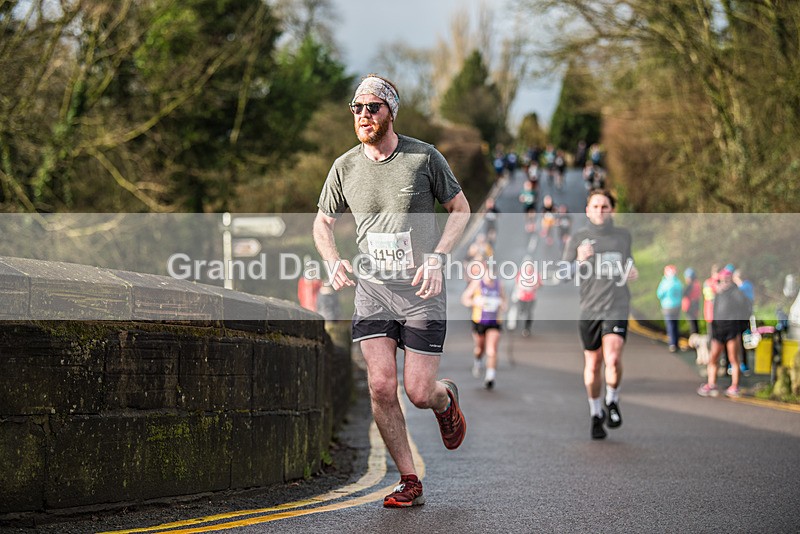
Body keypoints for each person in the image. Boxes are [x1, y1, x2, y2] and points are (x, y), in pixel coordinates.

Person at [313, 74, 470, 508]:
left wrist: (438, 255)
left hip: (421, 289)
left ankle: (445, 399)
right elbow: (322, 221)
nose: (364, 115)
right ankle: (409, 480)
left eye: (373, 107)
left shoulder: (423, 158)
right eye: (357, 108)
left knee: (418, 391)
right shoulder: (344, 167)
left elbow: (460, 208)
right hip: (374, 291)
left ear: (390, 112)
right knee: (381, 387)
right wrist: (333, 258)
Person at [562, 189, 638, 440]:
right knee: (593, 365)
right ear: (587, 210)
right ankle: (596, 413)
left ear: (611, 209)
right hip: (590, 307)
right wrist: (579, 261)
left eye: (604, 206)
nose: (600, 211)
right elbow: (563, 274)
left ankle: (612, 400)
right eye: (595, 206)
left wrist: (631, 272)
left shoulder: (623, 236)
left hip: (617, 304)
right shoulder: (578, 238)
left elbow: (629, 263)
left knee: (613, 358)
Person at [697, 268, 751, 398]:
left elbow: (745, 310)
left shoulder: (737, 293)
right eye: (723, 279)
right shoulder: (719, 294)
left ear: (731, 279)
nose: (725, 282)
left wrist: (741, 328)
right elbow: (714, 312)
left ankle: (734, 386)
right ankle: (711, 383)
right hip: (718, 330)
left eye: (727, 279)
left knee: (733, 358)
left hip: (732, 329)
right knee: (713, 357)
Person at [461, 256, 507, 389]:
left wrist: (502, 305)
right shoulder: (477, 283)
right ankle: (478, 360)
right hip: (479, 321)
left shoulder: (500, 284)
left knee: (492, 350)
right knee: (479, 349)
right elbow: (464, 299)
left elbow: (505, 301)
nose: (491, 275)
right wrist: (475, 302)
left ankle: (490, 376)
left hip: (494, 322)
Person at [657, 265, 684, 352]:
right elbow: (681, 292)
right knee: (676, 324)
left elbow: (659, 294)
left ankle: (672, 344)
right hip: (677, 306)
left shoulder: (664, 283)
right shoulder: (678, 282)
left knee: (670, 325)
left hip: (667, 307)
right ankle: (676, 342)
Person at [512, 256, 540, 336]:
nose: (528, 268)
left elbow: (540, 284)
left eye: (530, 266)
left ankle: (527, 329)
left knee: (529, 313)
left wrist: (536, 286)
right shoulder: (520, 274)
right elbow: (516, 284)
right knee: (521, 311)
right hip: (521, 297)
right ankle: (518, 316)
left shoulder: (535, 275)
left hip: (531, 298)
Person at [682, 268, 702, 336]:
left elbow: (683, 293)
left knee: (692, 325)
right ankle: (695, 339)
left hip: (690, 307)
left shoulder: (691, 285)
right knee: (695, 324)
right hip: (695, 306)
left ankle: (694, 340)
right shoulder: (697, 283)